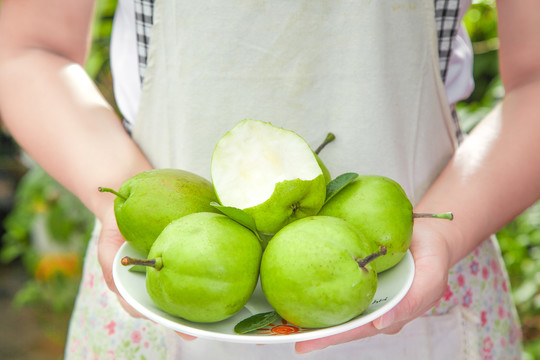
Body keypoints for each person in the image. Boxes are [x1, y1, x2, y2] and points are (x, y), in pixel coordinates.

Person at [0, 0, 538, 358]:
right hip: (156, 286)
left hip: (423, 273)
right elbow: (25, 49)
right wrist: (124, 196)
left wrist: (445, 232)